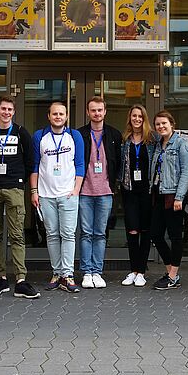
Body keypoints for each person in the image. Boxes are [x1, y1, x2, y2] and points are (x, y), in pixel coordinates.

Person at [0, 96, 40, 299]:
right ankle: (2, 277)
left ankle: (20, 279)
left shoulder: (21, 132)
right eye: (3, 109)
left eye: (9, 110)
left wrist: (20, 180)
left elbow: (30, 160)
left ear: (14, 112)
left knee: (17, 234)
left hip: (14, 187)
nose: (6, 112)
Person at [30, 102, 85, 293]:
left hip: (68, 193)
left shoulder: (74, 136)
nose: (58, 117)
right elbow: (35, 165)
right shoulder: (39, 136)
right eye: (55, 114)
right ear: (49, 116)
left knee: (68, 235)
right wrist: (34, 191)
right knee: (52, 235)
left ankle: (67, 275)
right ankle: (56, 273)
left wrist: (76, 189)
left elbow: (80, 164)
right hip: (46, 194)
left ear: (66, 116)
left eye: (61, 114)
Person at [77, 97, 123, 289]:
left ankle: (97, 271)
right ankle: (87, 272)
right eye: (93, 110)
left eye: (100, 110)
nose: (97, 113)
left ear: (105, 112)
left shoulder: (114, 134)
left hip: (105, 192)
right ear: (88, 112)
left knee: (100, 234)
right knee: (86, 233)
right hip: (85, 192)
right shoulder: (79, 134)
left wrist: (115, 185)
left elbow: (119, 162)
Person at [149, 110, 188, 290]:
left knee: (175, 236)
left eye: (164, 123)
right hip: (159, 194)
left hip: (174, 196)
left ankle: (173, 276)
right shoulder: (158, 144)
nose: (161, 127)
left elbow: (186, 172)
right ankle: (171, 273)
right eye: (158, 124)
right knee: (155, 234)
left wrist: (179, 197)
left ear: (172, 124)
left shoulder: (181, 144)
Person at [118, 104, 155, 287]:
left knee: (145, 231)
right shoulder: (124, 139)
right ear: (130, 118)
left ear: (144, 118)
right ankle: (133, 270)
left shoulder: (152, 139)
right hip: (129, 190)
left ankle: (141, 272)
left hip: (147, 191)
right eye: (134, 116)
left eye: (140, 116)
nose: (137, 119)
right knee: (132, 230)